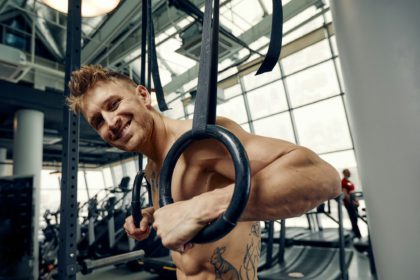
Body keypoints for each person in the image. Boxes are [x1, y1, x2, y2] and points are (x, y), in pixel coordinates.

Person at [67, 65, 341, 279]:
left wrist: (200, 208)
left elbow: (322, 176)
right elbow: (187, 197)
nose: (110, 123)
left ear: (143, 95)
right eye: (97, 122)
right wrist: (152, 215)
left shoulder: (200, 140)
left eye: (113, 105)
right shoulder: (153, 166)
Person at [341, 168, 362, 239]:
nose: (349, 173)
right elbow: (345, 194)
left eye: (349, 172)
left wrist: (357, 201)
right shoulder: (343, 182)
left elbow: (353, 192)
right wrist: (351, 202)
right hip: (349, 203)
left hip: (353, 201)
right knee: (353, 218)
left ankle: (355, 232)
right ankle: (357, 235)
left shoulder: (349, 181)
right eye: (347, 172)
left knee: (355, 218)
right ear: (344, 173)